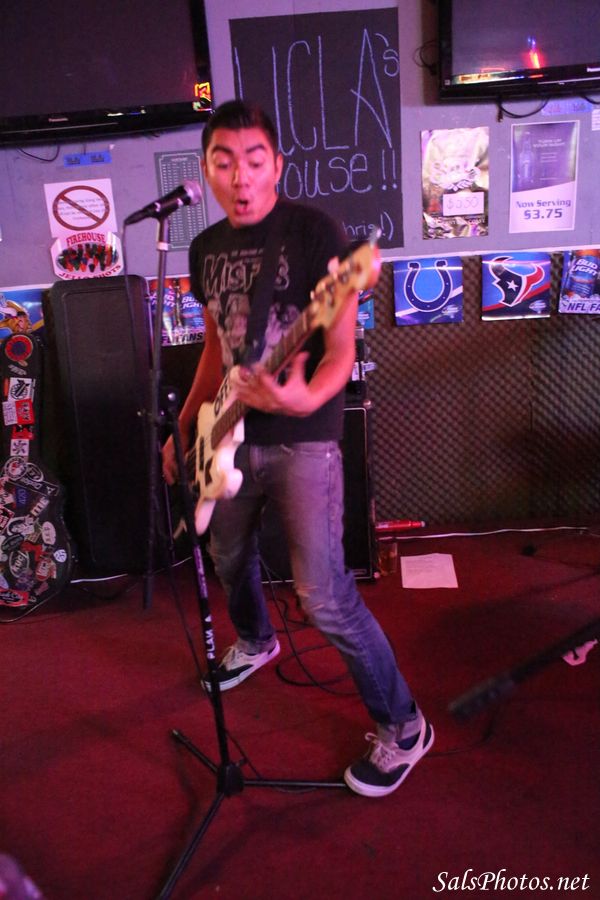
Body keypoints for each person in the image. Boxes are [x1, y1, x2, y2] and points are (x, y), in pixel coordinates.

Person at [161, 99, 433, 798]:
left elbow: (339, 348)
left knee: (325, 596)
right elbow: (218, 345)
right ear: (206, 170)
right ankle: (256, 639)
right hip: (227, 434)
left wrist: (300, 401)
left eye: (255, 161)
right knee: (226, 555)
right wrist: (187, 423)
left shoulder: (315, 233)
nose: (241, 177)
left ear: (277, 165)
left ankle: (404, 725)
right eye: (225, 162)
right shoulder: (204, 248)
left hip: (303, 438)